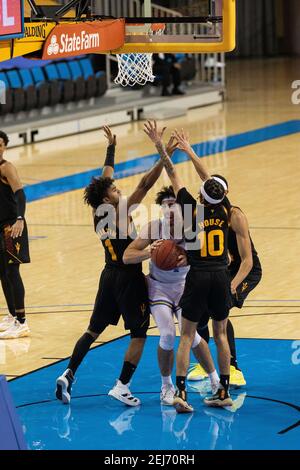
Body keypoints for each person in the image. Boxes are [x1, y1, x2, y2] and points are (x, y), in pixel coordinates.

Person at [55, 126, 168, 407]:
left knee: (93, 331)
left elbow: (105, 177)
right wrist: (165, 156)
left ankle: (68, 374)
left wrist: (112, 148)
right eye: (115, 189)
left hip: (108, 277)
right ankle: (122, 385)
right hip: (128, 277)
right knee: (139, 334)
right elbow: (144, 185)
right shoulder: (118, 212)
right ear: (108, 199)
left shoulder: (99, 209)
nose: (119, 188)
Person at [144, 120, 233, 412]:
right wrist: (194, 153)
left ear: (201, 195)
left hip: (199, 276)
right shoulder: (224, 208)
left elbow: (172, 171)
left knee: (185, 335)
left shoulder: (190, 210)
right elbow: (210, 180)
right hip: (222, 274)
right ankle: (223, 390)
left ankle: (180, 392)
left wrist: (162, 146)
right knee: (220, 334)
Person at [173, 129, 262, 387]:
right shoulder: (213, 204)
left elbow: (247, 261)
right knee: (202, 313)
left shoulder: (234, 214)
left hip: (246, 269)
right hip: (220, 267)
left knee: (223, 312)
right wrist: (189, 150)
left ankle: (233, 367)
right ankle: (207, 364)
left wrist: (232, 285)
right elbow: (205, 177)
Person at [123, 183, 220, 405]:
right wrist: (148, 252)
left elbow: (212, 255)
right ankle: (166, 385)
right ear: (161, 209)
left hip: (186, 287)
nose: (170, 208)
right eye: (166, 204)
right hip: (159, 289)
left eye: (174, 203)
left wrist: (191, 257)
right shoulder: (153, 228)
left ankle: (215, 381)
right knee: (167, 334)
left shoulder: (193, 229)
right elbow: (127, 256)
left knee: (193, 337)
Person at [0, 130, 30, 339]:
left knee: (12, 272)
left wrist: (19, 218)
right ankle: (12, 315)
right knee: (3, 272)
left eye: (0, 144)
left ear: (5, 147)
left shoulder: (6, 167)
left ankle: (22, 322)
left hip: (12, 226)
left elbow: (20, 193)